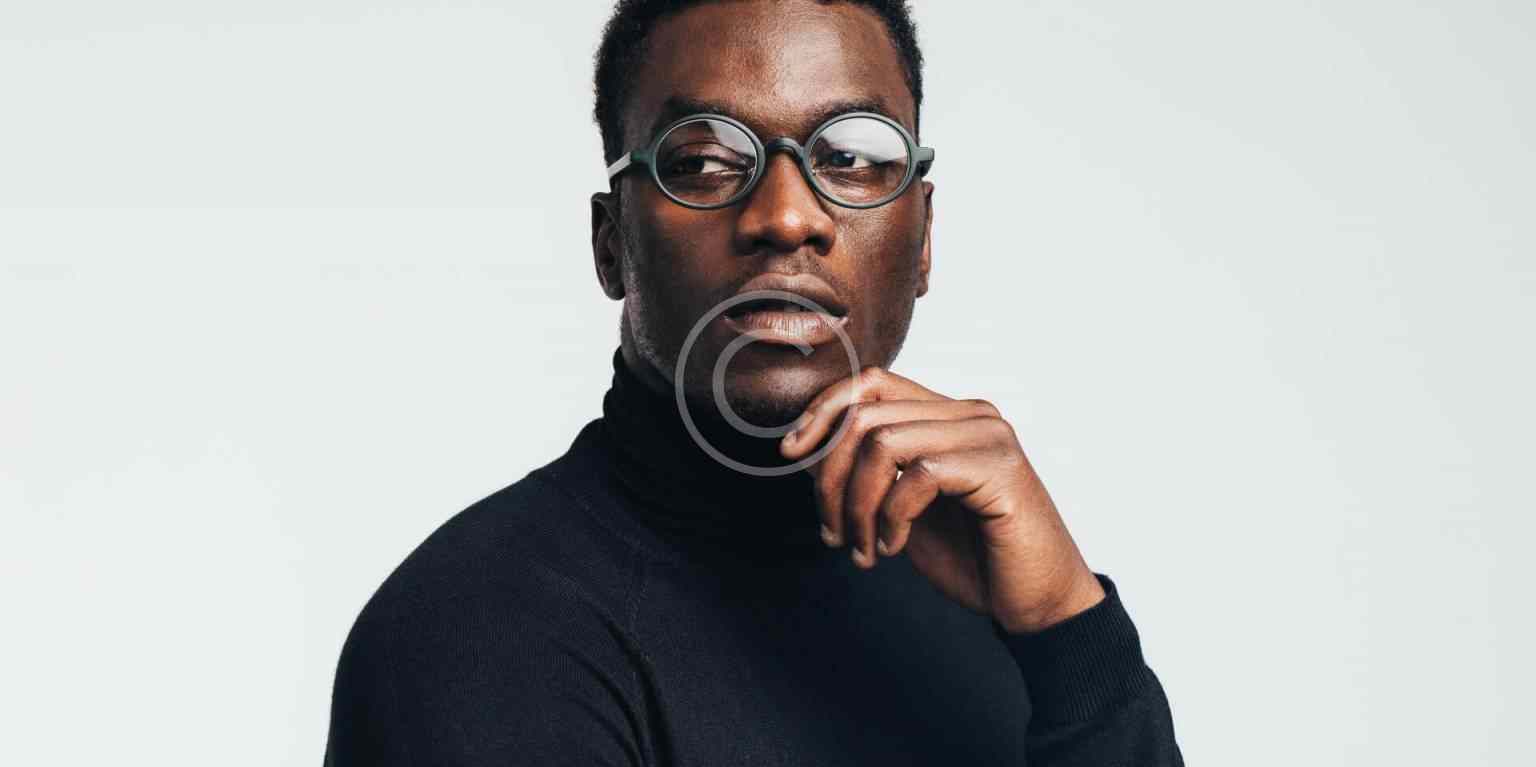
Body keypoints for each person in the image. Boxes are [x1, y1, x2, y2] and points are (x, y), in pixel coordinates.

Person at [323, 1, 1185, 764]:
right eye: (704, 161)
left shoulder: (1004, 604)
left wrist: (1073, 630)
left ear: (923, 240)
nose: (786, 215)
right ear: (611, 244)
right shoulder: (480, 631)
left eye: (850, 155)